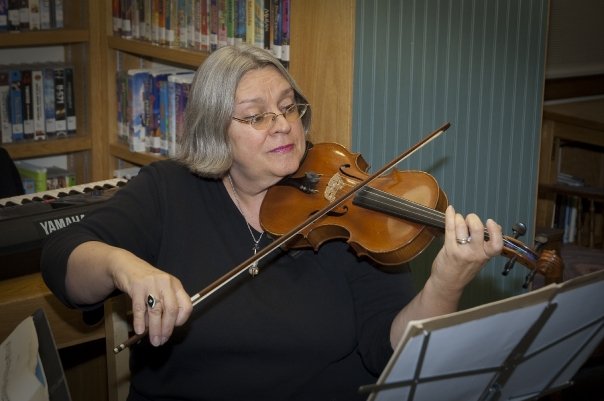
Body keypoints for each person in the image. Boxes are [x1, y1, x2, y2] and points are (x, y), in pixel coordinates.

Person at [41, 43, 503, 401]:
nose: (282, 124)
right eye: (256, 116)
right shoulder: (170, 190)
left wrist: (446, 281)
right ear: (215, 130)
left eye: (288, 107)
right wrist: (125, 267)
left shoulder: (350, 207)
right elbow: (63, 260)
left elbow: (391, 351)